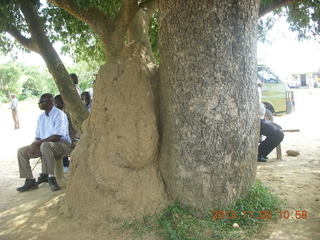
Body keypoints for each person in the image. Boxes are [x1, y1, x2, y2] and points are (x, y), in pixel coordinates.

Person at [16, 93, 71, 192]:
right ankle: (30, 181)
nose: (39, 103)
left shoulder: (59, 115)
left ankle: (50, 177)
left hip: (62, 145)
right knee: (21, 151)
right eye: (39, 102)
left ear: (51, 102)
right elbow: (38, 136)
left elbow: (57, 136)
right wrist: (34, 144)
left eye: (42, 101)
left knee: (45, 145)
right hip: (44, 145)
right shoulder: (41, 117)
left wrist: (38, 143)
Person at [258, 81, 284, 162]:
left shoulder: (257, 87)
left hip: (261, 118)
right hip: (257, 121)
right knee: (279, 134)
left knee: (279, 128)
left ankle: (261, 152)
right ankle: (259, 153)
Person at [54, 94, 78, 173]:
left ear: (62, 103)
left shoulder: (66, 112)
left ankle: (65, 164)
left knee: (61, 141)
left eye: (56, 103)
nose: (55, 105)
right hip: (69, 135)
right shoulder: (59, 112)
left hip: (72, 137)